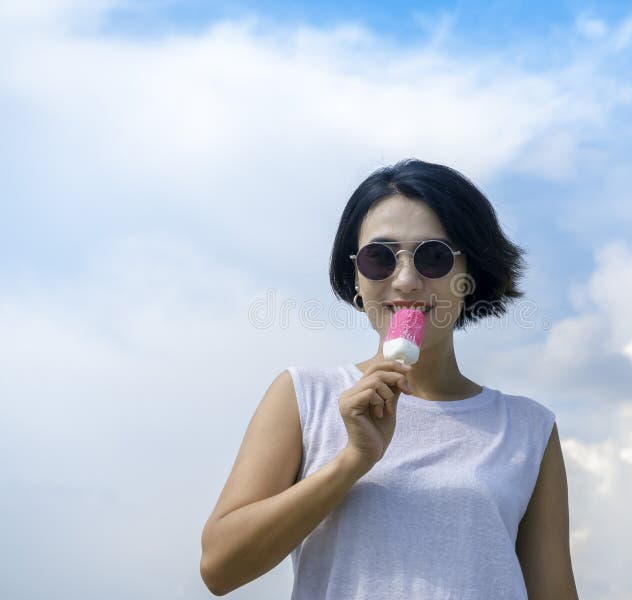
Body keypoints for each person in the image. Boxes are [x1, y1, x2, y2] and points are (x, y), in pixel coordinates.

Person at [200, 159, 579, 599]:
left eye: (434, 257)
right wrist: (354, 459)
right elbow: (219, 569)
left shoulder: (528, 427)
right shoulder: (305, 395)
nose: (406, 280)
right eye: (379, 258)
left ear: (469, 276)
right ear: (357, 278)